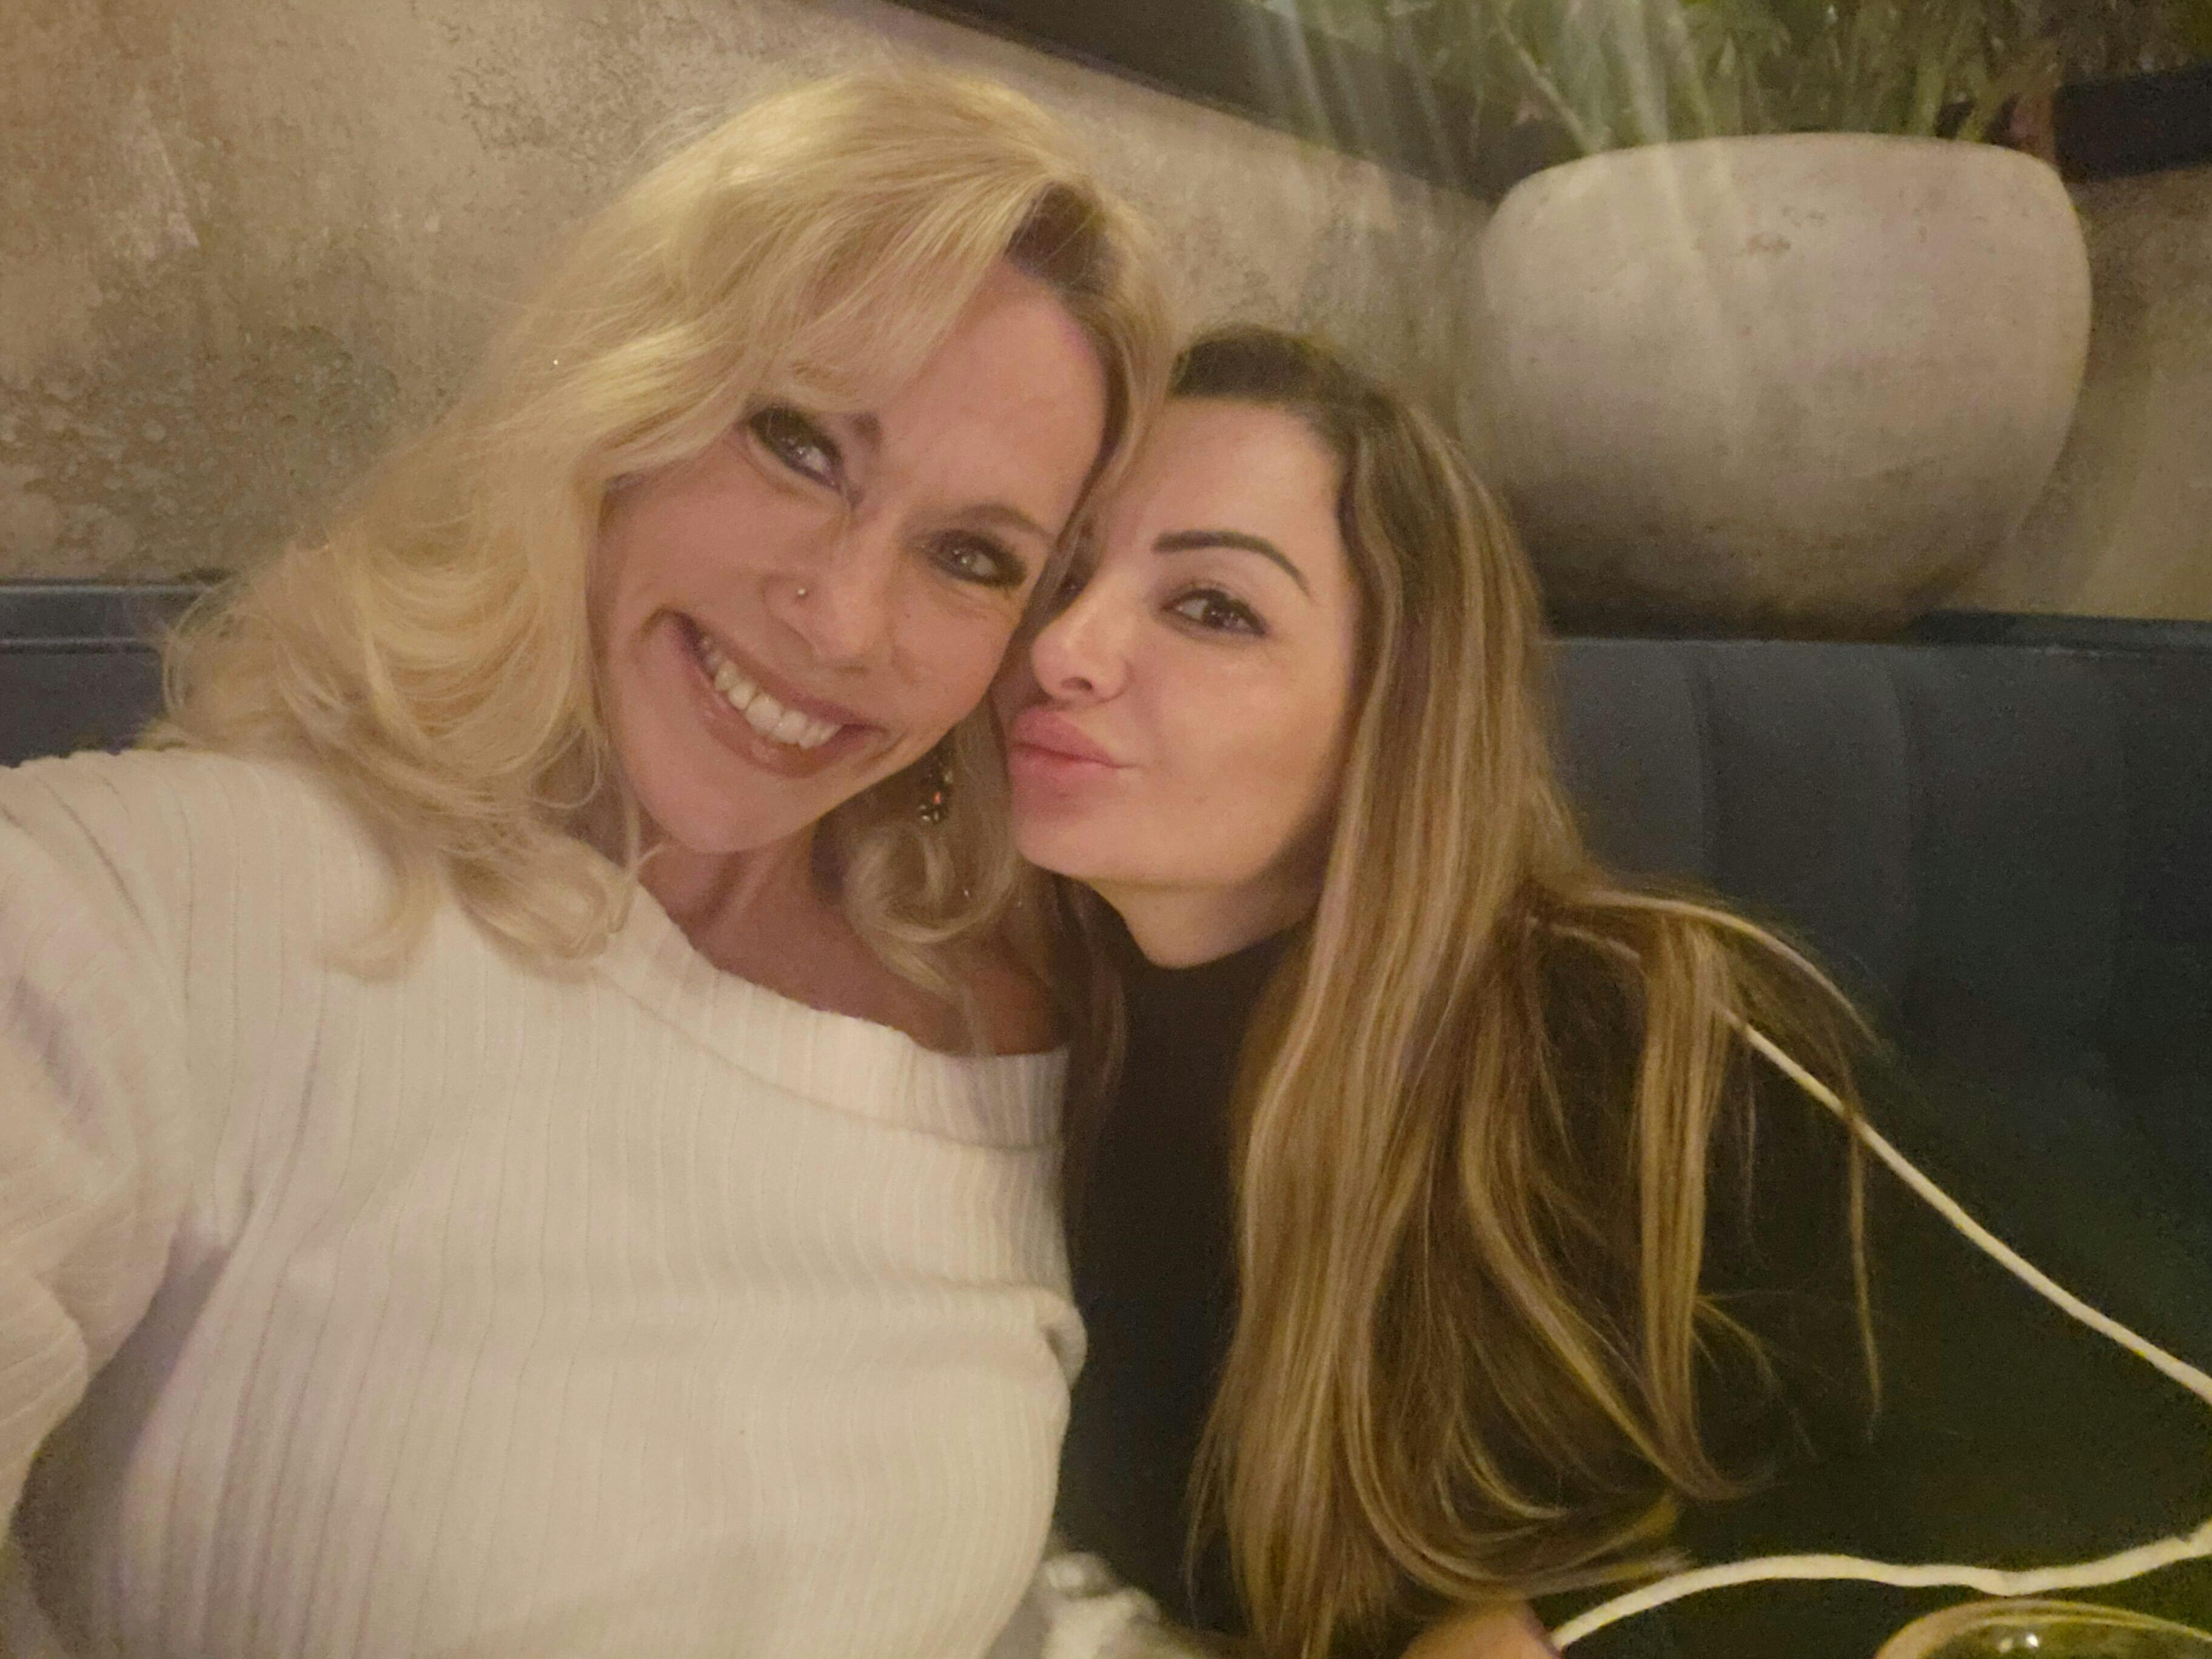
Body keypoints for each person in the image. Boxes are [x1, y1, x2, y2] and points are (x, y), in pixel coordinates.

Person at [0, 69, 1170, 1658]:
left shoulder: (1006, 1038)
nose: (844, 621)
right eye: (798, 444)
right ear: (623, 401)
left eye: (970, 556)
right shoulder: (160, 904)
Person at [997, 329, 2212, 1659]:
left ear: (1396, 714)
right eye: (1063, 570)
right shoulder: (1000, 1036)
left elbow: (2161, 1482)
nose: (1064, 647)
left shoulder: (1625, 1032)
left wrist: (1564, 1633)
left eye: (1213, 608)